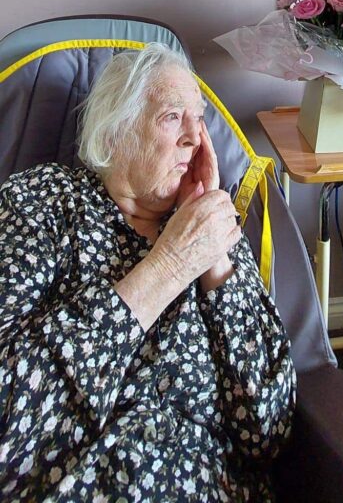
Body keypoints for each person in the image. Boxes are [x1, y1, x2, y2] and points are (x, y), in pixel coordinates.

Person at [0, 44, 296, 502]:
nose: (195, 138)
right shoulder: (43, 200)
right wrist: (169, 265)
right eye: (173, 116)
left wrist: (212, 256)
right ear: (115, 133)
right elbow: (11, 417)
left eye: (199, 120)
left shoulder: (209, 229)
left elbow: (268, 430)